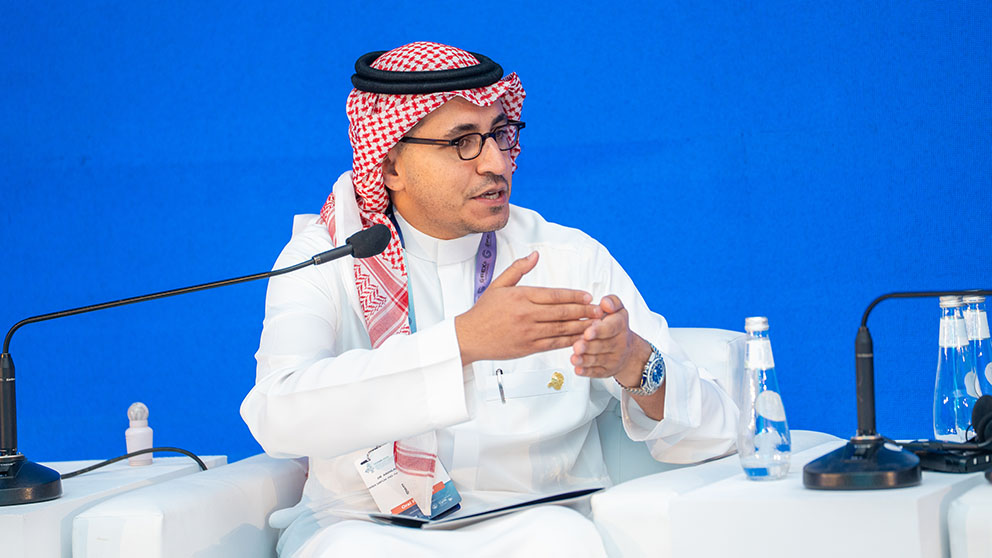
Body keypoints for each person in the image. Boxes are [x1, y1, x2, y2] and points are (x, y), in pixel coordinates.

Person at [241, 42, 738, 557]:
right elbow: (275, 415)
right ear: (390, 165)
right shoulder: (326, 259)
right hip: (361, 528)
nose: (497, 163)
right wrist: (462, 343)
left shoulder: (568, 259)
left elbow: (719, 434)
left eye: (501, 134)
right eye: (463, 142)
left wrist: (633, 361)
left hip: (535, 526)